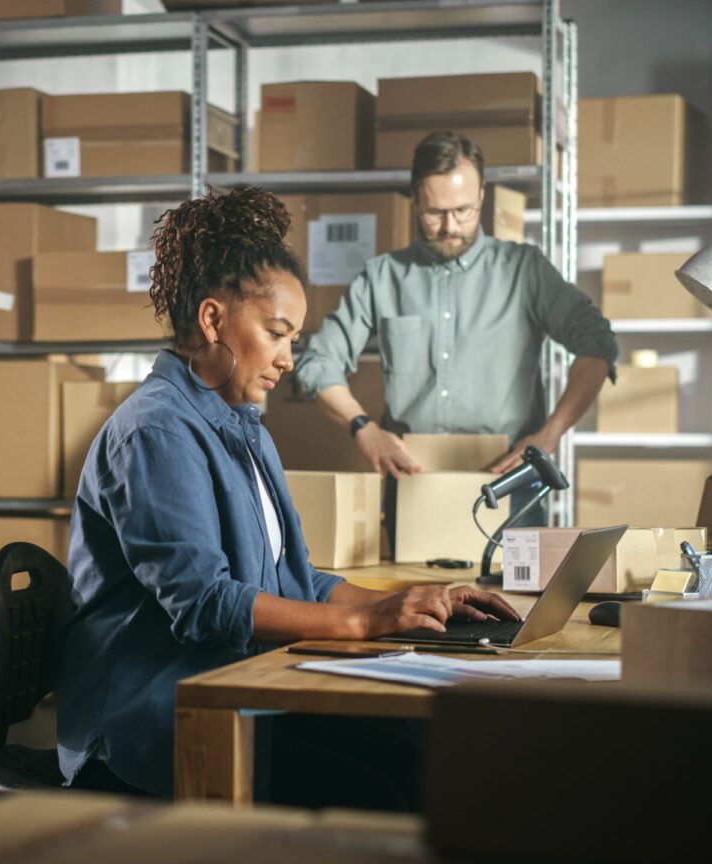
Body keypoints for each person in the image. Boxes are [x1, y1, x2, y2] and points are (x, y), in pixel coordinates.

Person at [54, 187, 518, 804]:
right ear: (213, 320)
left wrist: (408, 603)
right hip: (156, 719)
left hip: (236, 688)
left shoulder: (242, 426)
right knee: (396, 787)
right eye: (277, 333)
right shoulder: (157, 431)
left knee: (420, 752)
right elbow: (205, 607)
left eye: (294, 339)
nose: (289, 359)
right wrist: (365, 620)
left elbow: (291, 578)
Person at [294, 131, 618, 499]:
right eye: (435, 213)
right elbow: (318, 362)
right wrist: (364, 428)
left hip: (511, 484)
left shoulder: (524, 270)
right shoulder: (383, 278)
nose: (450, 228)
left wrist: (551, 433)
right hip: (413, 483)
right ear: (415, 199)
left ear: (481, 196)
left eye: (464, 211)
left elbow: (598, 343)